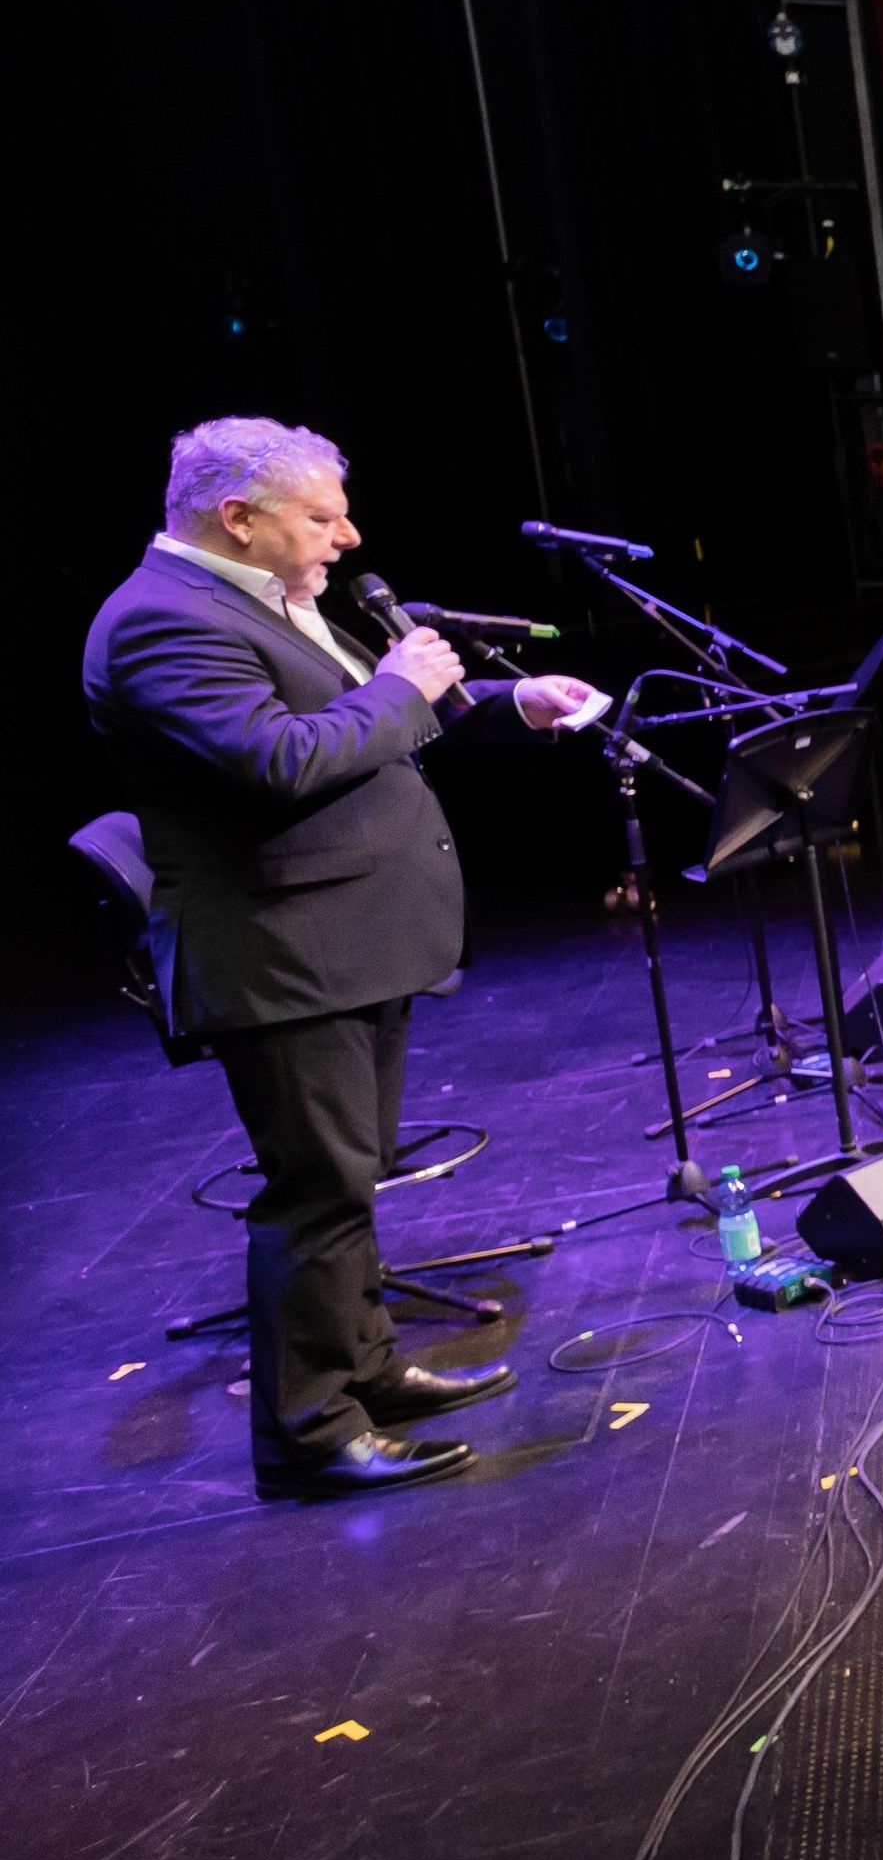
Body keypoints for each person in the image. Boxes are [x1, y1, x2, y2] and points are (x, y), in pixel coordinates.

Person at [80, 417, 610, 1498]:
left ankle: (365, 1366)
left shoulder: (263, 601)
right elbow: (279, 760)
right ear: (238, 517)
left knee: (349, 1178)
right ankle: (311, 1430)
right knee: (314, 1190)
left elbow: (380, 720)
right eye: (321, 514)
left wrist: (512, 701)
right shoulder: (160, 623)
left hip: (347, 939)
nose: (347, 535)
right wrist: (404, 684)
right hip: (282, 950)